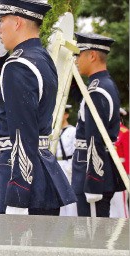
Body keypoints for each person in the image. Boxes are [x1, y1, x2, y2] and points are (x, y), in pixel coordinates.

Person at [0, 0, 76, 215]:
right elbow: (21, 91)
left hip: (21, 175)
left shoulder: (18, 65)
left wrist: (19, 193)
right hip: (41, 170)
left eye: (2, 21)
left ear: (17, 22)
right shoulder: (41, 58)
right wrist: (0, 59)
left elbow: (21, 133)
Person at [71, 32, 124, 217]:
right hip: (91, 172)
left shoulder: (97, 90)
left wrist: (93, 182)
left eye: (79, 54)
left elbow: (95, 138)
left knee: (92, 239)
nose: (76, 59)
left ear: (92, 55)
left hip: (92, 176)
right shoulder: (102, 84)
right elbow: (82, 102)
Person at [57, 105, 77, 216]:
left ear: (66, 115)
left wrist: (71, 166)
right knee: (58, 193)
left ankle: (72, 218)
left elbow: (75, 150)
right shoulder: (53, 131)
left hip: (67, 164)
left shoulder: (72, 131)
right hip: (56, 164)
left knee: (69, 192)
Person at [110, 108, 128, 218]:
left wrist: (127, 174)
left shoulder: (124, 132)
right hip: (108, 172)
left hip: (121, 172)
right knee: (110, 204)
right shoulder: (105, 132)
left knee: (121, 205)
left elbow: (128, 155)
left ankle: (126, 231)